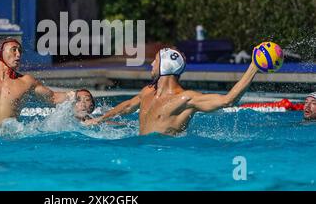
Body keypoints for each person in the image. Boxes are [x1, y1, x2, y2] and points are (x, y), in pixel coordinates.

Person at [85, 46, 261, 136]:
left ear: (165, 65)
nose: (151, 64)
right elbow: (126, 107)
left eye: (155, 61)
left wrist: (254, 66)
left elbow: (228, 100)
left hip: (165, 159)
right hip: (139, 154)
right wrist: (100, 119)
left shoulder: (186, 99)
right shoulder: (147, 91)